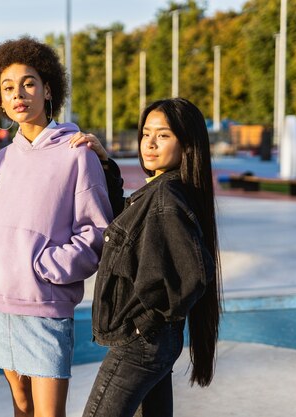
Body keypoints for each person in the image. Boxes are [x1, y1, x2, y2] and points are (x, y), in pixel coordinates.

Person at [0, 37, 114, 417]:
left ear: (48, 89)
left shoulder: (77, 153)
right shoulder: (3, 160)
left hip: (45, 303)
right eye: (8, 88)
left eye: (29, 83)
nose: (19, 95)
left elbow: (96, 232)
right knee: (21, 407)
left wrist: (47, 267)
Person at [82, 98, 222, 417]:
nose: (150, 144)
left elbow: (194, 275)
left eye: (163, 135)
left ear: (187, 145)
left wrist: (144, 322)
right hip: (155, 342)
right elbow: (126, 222)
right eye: (146, 134)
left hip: (142, 343)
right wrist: (105, 163)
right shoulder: (160, 190)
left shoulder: (166, 198)